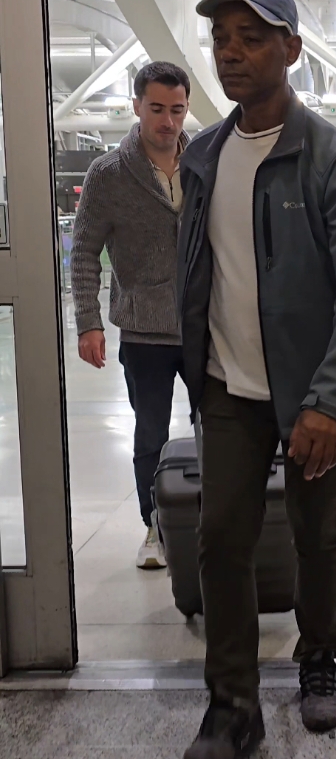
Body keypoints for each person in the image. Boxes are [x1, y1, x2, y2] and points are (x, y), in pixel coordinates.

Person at [179, 0, 336, 759]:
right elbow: (196, 270)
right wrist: (191, 371)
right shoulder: (203, 156)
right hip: (229, 387)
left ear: (292, 50)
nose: (231, 51)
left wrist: (332, 401)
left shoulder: (328, 157)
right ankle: (232, 705)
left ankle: (318, 659)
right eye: (222, 37)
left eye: (252, 36)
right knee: (220, 538)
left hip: (315, 394)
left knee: (314, 532)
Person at [72, 61, 190, 568]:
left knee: (225, 430)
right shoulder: (109, 174)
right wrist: (88, 321)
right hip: (144, 331)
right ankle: (155, 526)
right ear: (137, 105)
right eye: (158, 109)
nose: (168, 121)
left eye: (178, 110)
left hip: (206, 324)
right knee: (150, 435)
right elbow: (82, 251)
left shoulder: (204, 160)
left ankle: (216, 524)